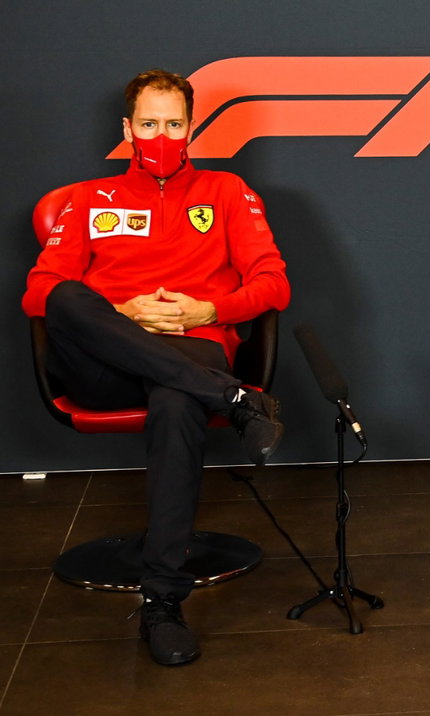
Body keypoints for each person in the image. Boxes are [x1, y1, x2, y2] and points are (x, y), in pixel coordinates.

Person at [22, 69, 289, 664]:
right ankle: (231, 398)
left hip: (193, 347)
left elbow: (274, 284)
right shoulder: (90, 199)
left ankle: (162, 604)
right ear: (127, 129)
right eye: (149, 124)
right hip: (103, 364)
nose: (161, 136)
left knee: (175, 396)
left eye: (173, 124)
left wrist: (209, 307)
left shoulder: (226, 191)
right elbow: (39, 293)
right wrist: (122, 313)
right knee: (67, 297)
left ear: (191, 127)